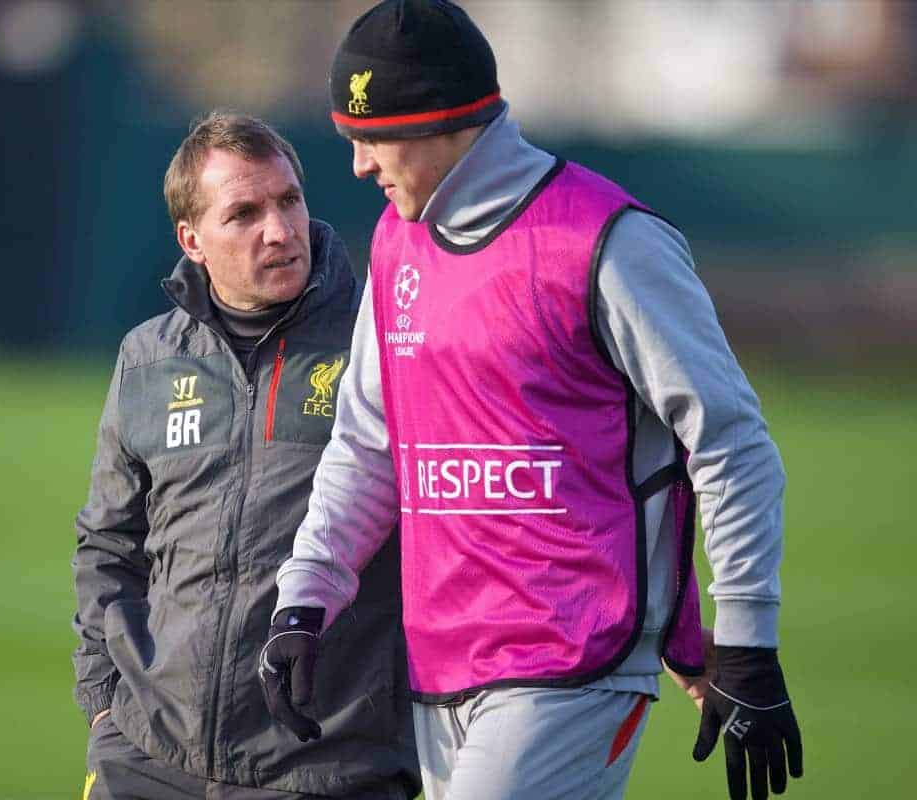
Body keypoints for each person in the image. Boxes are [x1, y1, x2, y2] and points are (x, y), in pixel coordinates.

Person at [257, 3, 803, 800]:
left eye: (371, 139)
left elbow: (728, 440)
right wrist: (305, 599)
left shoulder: (608, 241)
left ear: (440, 119)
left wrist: (749, 640)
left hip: (575, 665)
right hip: (438, 668)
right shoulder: (395, 242)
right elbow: (370, 447)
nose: (358, 167)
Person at [72, 112, 419, 800]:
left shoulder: (383, 345)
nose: (280, 230)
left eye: (289, 200)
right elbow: (108, 543)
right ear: (192, 240)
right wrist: (106, 704)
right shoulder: (149, 357)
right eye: (245, 213)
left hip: (322, 767)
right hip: (146, 758)